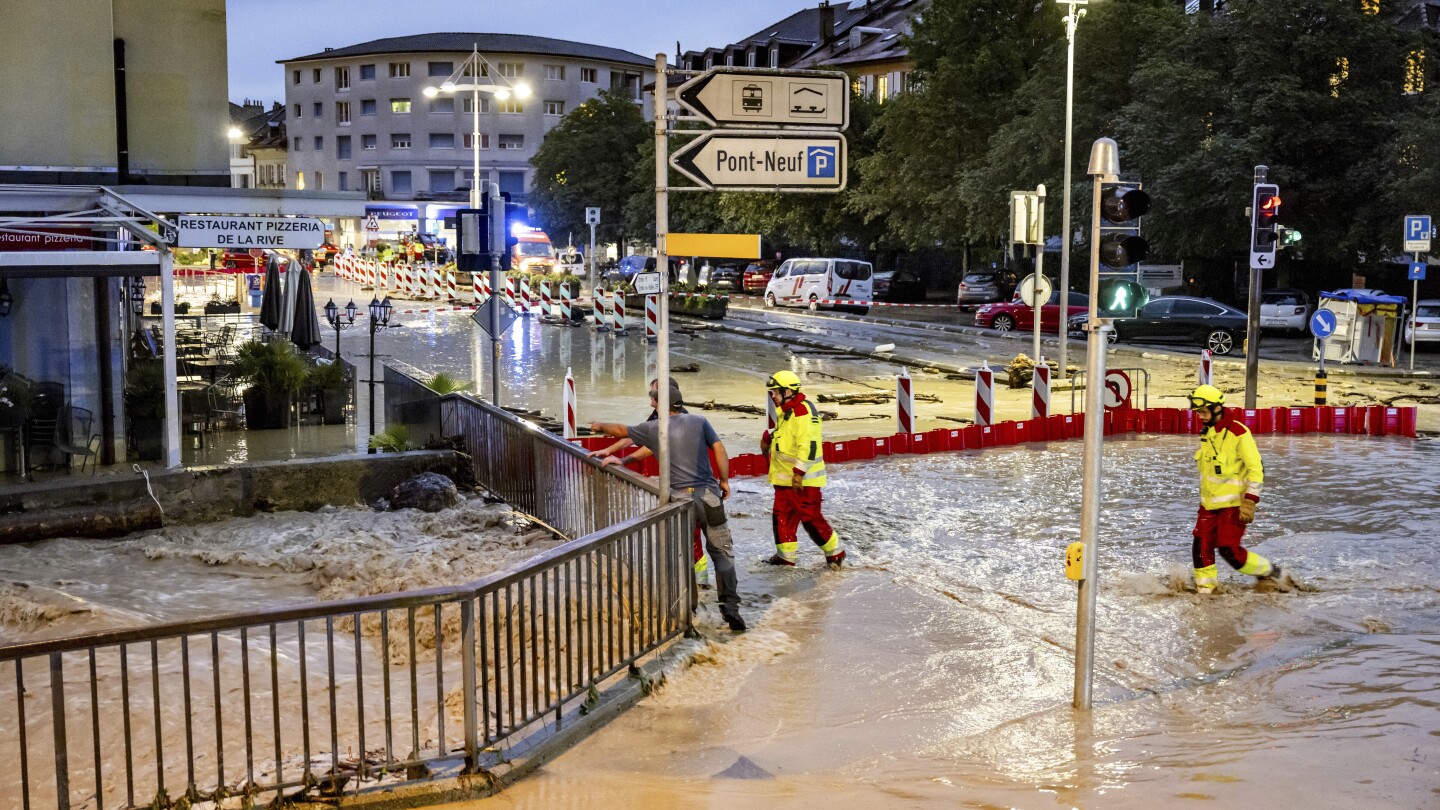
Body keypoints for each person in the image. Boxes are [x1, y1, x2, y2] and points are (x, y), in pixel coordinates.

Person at [590, 380, 745, 632]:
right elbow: (719, 449)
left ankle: (689, 608)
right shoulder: (700, 422)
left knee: (682, 556)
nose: (651, 404)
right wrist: (725, 480)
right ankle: (731, 608)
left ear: (662, 404)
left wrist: (599, 425)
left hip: (680, 502)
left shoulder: (655, 428)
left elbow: (621, 430)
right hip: (710, 496)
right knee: (723, 553)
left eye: (654, 400)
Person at [587, 377, 710, 588]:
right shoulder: (662, 416)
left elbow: (647, 445)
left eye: (653, 394)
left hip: (688, 487)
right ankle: (690, 583)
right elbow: (637, 433)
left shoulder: (678, 420)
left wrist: (617, 450)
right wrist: (610, 451)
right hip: (689, 486)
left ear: (663, 396)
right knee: (688, 537)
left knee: (692, 537)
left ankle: (700, 585)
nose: (650, 399)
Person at [1188, 384, 1284, 593]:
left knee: (1228, 551)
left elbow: (1256, 469)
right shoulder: (1207, 433)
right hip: (1208, 506)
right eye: (1198, 413)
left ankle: (1270, 572)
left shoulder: (1239, 432)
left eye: (1204, 412)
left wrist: (1250, 500)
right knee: (1200, 548)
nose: (1200, 417)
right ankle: (1207, 594)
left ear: (1217, 409)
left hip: (1234, 506)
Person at [762, 370, 844, 568]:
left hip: (803, 482)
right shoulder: (787, 411)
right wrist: (769, 438)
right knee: (781, 517)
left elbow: (808, 445)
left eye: (775, 391)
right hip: (784, 481)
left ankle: (835, 554)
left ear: (788, 391)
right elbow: (788, 437)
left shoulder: (803, 412)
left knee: (811, 520)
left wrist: (798, 473)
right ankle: (785, 557)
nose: (772, 395)